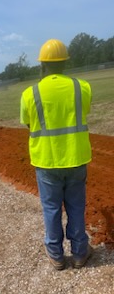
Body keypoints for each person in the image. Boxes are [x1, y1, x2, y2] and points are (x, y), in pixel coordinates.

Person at [20, 39, 93, 270]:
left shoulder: (30, 93)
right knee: (76, 206)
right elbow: (83, 113)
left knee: (51, 209)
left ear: (43, 65)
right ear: (65, 63)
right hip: (76, 158)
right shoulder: (81, 87)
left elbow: (28, 123)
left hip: (47, 161)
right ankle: (80, 253)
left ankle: (57, 256)